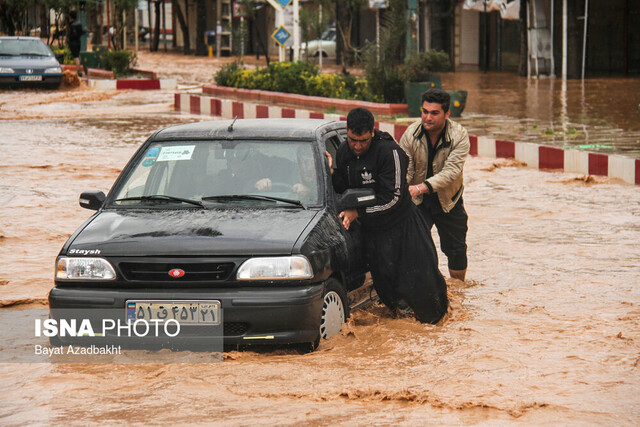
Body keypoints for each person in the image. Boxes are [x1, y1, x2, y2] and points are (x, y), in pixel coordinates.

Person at [329, 107, 448, 324]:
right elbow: (345, 188)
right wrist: (332, 173)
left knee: (424, 290)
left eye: (363, 140)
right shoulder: (345, 152)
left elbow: (393, 199)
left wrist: (359, 213)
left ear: (372, 133)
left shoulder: (389, 152)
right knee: (388, 291)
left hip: (404, 229)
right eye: (353, 139)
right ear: (347, 132)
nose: (357, 146)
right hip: (374, 235)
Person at [399, 88, 470, 282]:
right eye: (425, 111)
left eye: (434, 113)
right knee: (414, 247)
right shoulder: (410, 134)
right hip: (418, 201)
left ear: (447, 114)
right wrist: (404, 190)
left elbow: (451, 172)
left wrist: (420, 187)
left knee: (456, 250)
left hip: (449, 200)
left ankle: (458, 291)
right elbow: (406, 169)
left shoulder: (459, 136)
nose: (428, 117)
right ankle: (425, 287)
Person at [67, 11, 84, 77]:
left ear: (71, 17)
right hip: (78, 42)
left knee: (76, 57)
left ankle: (79, 71)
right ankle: (78, 71)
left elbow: (73, 35)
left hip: (73, 42)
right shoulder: (79, 23)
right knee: (77, 56)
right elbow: (81, 33)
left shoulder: (73, 25)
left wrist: (69, 39)